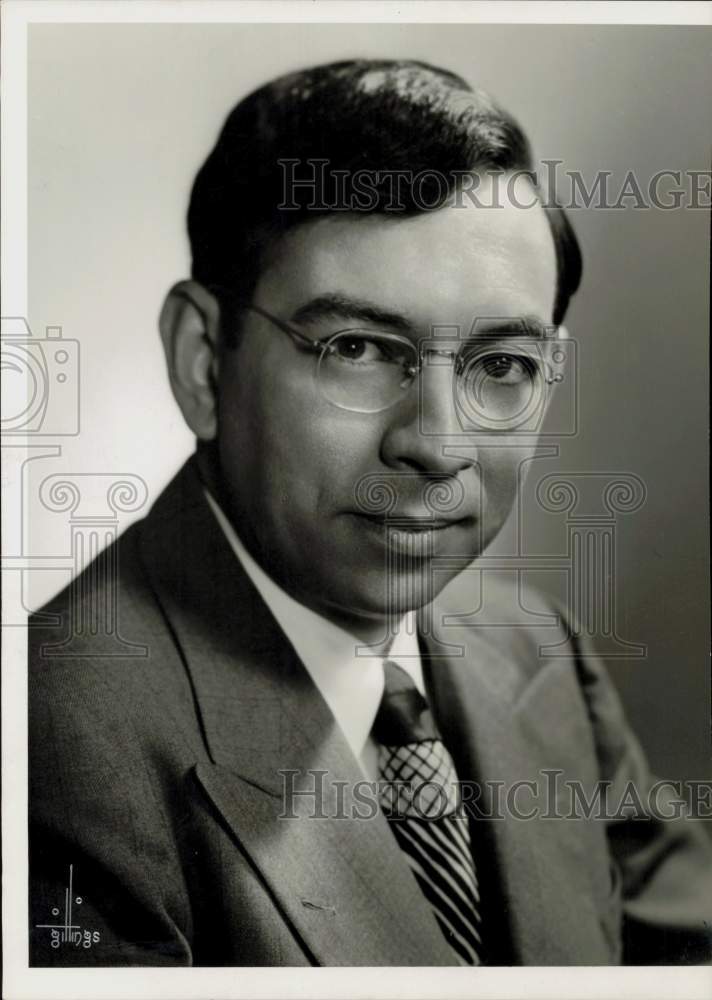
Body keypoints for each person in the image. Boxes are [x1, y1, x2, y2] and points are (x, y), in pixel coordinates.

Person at [29, 59, 712, 967]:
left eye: (501, 365)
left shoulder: (535, 652)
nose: (436, 443)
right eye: (357, 348)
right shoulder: (44, 749)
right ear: (204, 362)